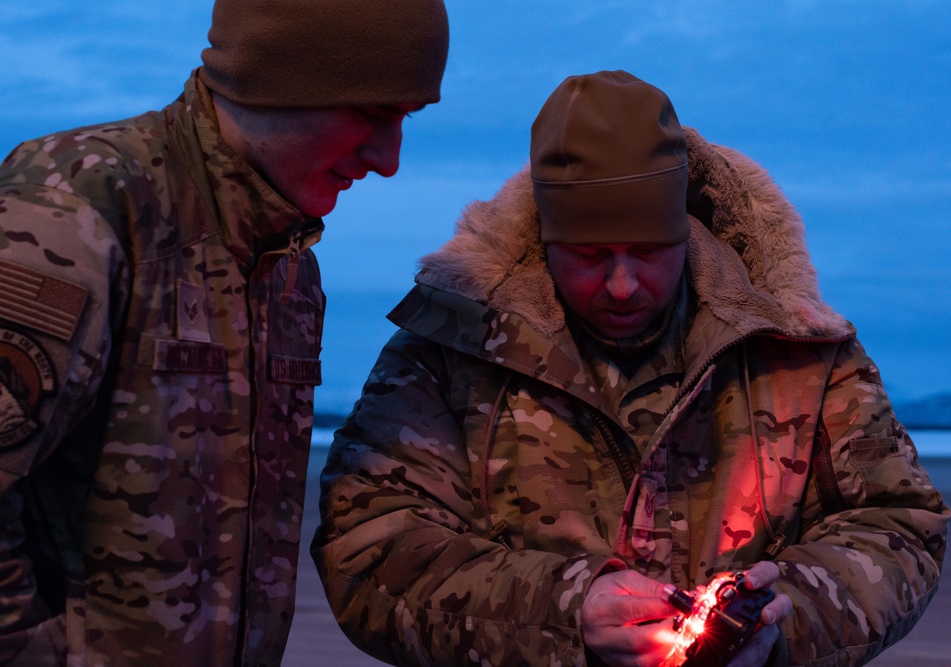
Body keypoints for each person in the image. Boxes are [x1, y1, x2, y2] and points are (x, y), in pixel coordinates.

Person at [311, 70, 949, 666]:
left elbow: (901, 523)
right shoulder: (446, 352)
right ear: (546, 240)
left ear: (686, 232)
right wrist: (563, 612)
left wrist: (791, 618)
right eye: (590, 255)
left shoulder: (801, 349)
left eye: (648, 251)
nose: (621, 285)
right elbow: (367, 546)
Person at [0, 1, 449, 665]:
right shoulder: (78, 208)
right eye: (373, 113)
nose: (388, 160)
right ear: (279, 78)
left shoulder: (288, 267)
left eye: (407, 118)